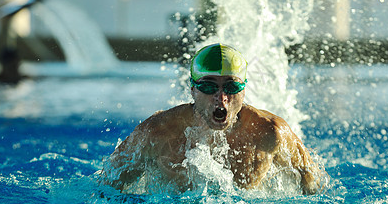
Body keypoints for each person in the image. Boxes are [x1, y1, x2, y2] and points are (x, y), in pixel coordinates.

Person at [101, 43, 327, 194]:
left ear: (244, 90)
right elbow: (105, 191)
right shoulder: (156, 133)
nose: (222, 98)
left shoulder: (271, 133)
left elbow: (314, 188)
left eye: (231, 86)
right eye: (209, 86)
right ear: (192, 90)